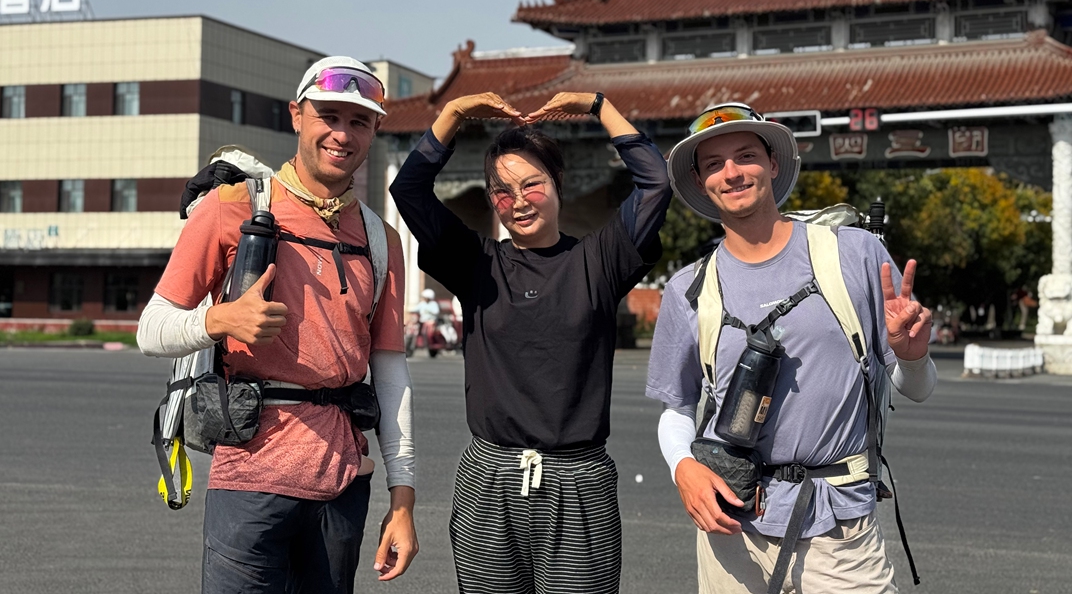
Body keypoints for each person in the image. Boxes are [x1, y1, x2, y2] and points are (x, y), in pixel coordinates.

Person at [137, 56, 418, 594]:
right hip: (249, 480)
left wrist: (402, 496)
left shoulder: (380, 240)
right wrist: (220, 319)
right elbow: (152, 328)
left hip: (343, 486)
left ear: (374, 131)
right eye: (328, 116)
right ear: (296, 115)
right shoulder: (231, 207)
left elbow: (390, 375)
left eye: (359, 121)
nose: (342, 134)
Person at [645, 102, 938, 593]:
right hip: (731, 527)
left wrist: (911, 355)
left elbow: (919, 388)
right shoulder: (689, 289)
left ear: (774, 163)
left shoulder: (853, 254)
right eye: (714, 164)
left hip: (838, 528)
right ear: (700, 182)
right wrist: (684, 468)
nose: (732, 173)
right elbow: (677, 407)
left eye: (746, 155)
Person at [389, 90, 672, 593]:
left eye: (531, 184)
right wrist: (454, 113)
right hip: (488, 480)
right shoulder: (476, 264)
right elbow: (408, 189)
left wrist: (598, 106)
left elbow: (656, 183)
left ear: (558, 182)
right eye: (501, 191)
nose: (517, 201)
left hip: (579, 482)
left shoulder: (599, 261)